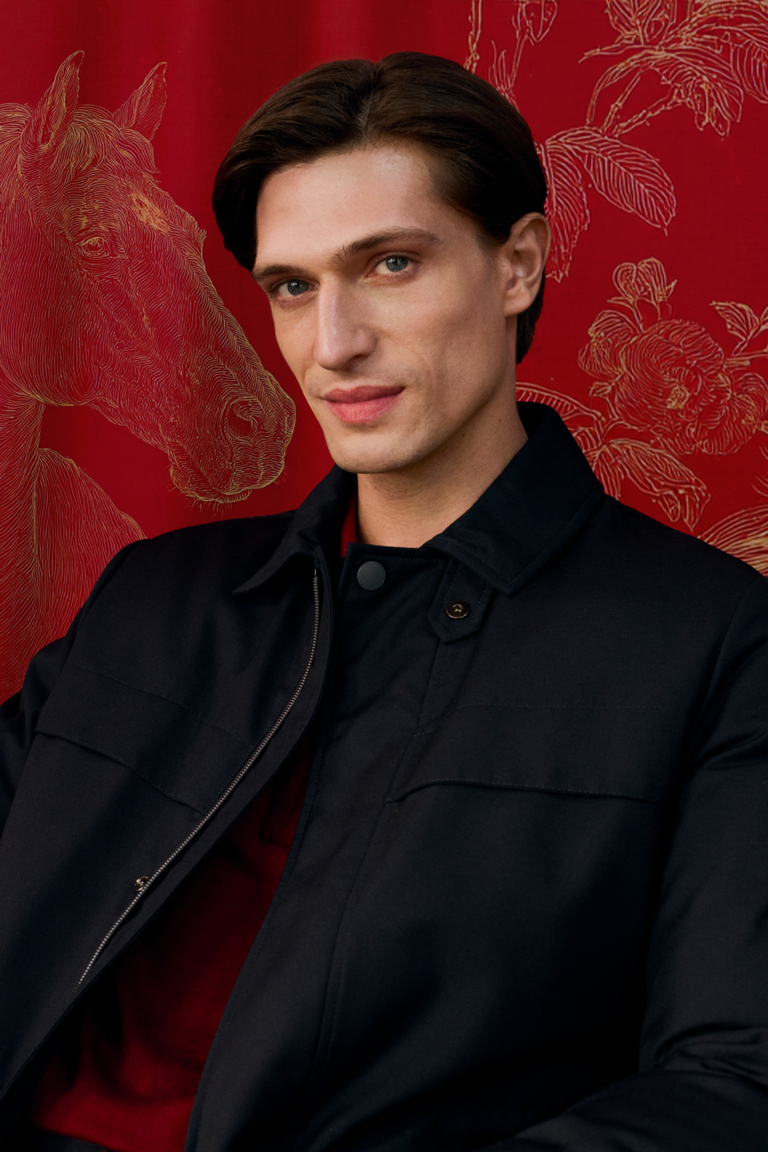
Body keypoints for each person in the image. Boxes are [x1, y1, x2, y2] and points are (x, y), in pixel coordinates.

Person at [0, 50, 766, 1152]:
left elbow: (736, 1080)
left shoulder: (712, 642)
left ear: (518, 265)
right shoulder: (153, 597)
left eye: (391, 264)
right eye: (293, 286)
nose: (333, 344)